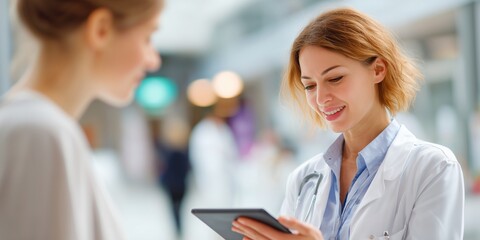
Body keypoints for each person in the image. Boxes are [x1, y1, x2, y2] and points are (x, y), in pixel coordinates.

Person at [232, 7, 464, 240]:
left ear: (378, 70)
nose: (321, 99)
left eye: (335, 78)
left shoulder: (433, 168)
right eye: (310, 86)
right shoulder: (303, 179)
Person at [0, 0, 163, 239]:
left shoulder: (40, 127)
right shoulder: (39, 132)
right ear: (101, 30)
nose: (153, 60)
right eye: (148, 38)